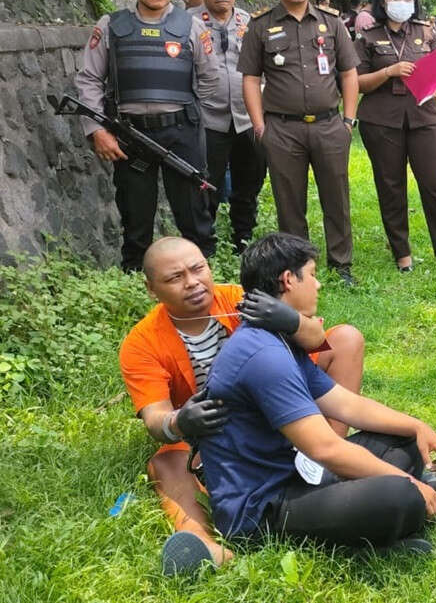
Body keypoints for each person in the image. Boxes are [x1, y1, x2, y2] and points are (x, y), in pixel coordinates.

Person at [118, 236, 365, 575]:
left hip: (278, 406)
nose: (192, 283)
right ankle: (203, 544)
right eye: (175, 278)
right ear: (151, 289)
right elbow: (155, 417)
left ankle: (334, 463)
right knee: (167, 461)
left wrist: (290, 320)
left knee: (346, 339)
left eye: (198, 269)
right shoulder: (141, 342)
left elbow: (315, 341)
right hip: (212, 436)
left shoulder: (239, 299)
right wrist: (179, 422)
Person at [198, 232, 436, 554]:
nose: (318, 285)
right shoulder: (262, 355)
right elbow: (326, 449)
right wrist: (410, 484)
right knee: (399, 496)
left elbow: (345, 404)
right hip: (262, 508)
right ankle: (367, 542)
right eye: (314, 275)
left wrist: (416, 426)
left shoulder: (280, 337)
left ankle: (381, 508)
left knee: (404, 441)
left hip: (296, 472)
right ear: (289, 280)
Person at [74, 0, 218, 272]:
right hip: (130, 137)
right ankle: (137, 282)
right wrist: (96, 130)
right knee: (136, 219)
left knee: (195, 217)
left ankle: (204, 278)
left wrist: (192, 118)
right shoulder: (111, 26)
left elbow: (210, 79)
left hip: (181, 132)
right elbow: (89, 80)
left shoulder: (192, 27)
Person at [239, 0, 361, 285]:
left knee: (336, 196)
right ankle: (297, 265)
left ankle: (342, 264)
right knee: (289, 201)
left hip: (328, 125)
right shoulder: (261, 25)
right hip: (282, 128)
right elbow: (250, 78)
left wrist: (348, 121)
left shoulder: (331, 22)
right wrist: (259, 125)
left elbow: (349, 73)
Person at [354, 0, 436, 271]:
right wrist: (388, 72)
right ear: (382, 1)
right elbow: (356, 82)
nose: (401, 4)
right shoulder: (368, 36)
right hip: (382, 120)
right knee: (391, 184)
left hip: (425, 116)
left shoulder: (426, 32)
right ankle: (402, 253)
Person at [187, 0, 266, 253]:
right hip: (209, 118)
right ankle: (205, 246)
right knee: (207, 185)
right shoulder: (187, 23)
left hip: (248, 117)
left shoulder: (251, 22)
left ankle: (243, 240)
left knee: (250, 182)